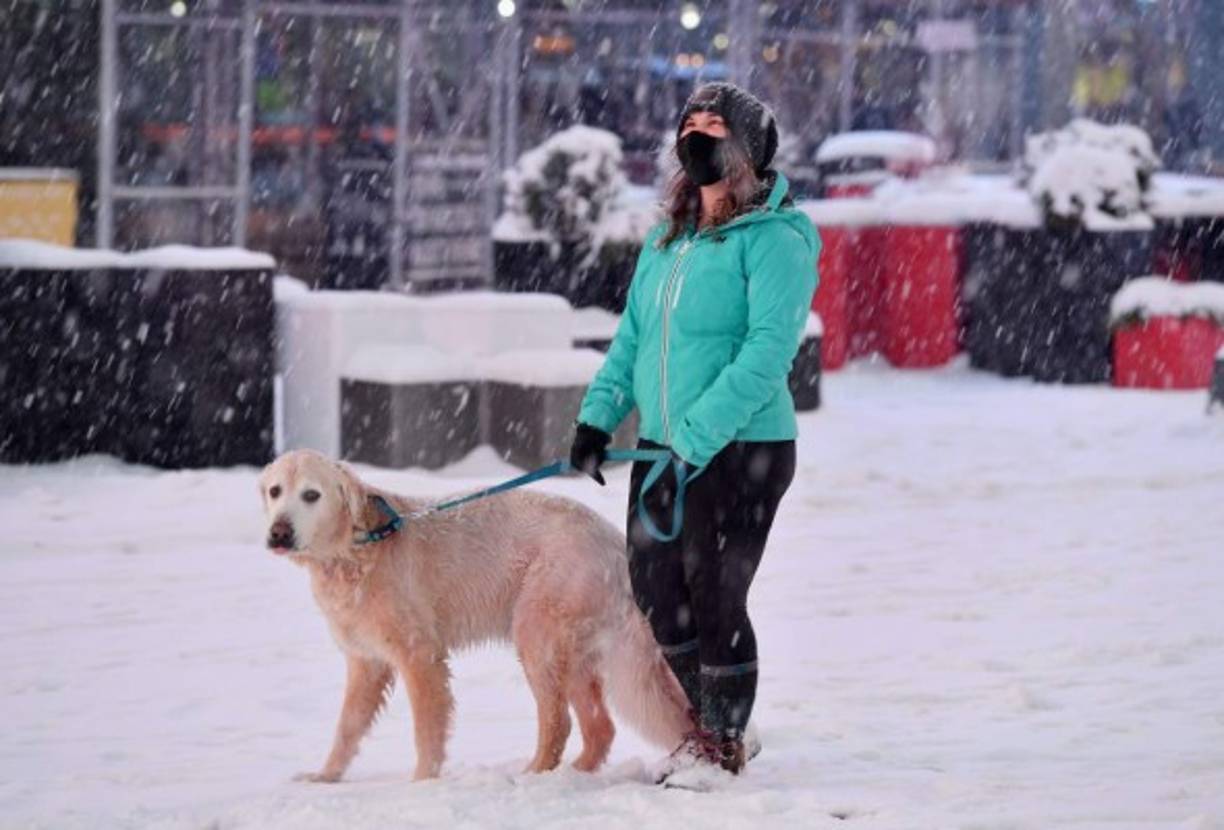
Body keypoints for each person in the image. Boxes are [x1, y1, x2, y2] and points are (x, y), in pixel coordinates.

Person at [568, 82, 820, 785]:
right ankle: (714, 721)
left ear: (748, 148)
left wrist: (698, 436)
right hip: (662, 448)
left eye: (716, 126)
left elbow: (768, 350)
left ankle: (721, 741)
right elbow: (634, 338)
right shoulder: (667, 238)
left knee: (715, 593)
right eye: (691, 124)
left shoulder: (776, 239)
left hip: (745, 448)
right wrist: (598, 413)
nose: (698, 135)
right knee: (656, 591)